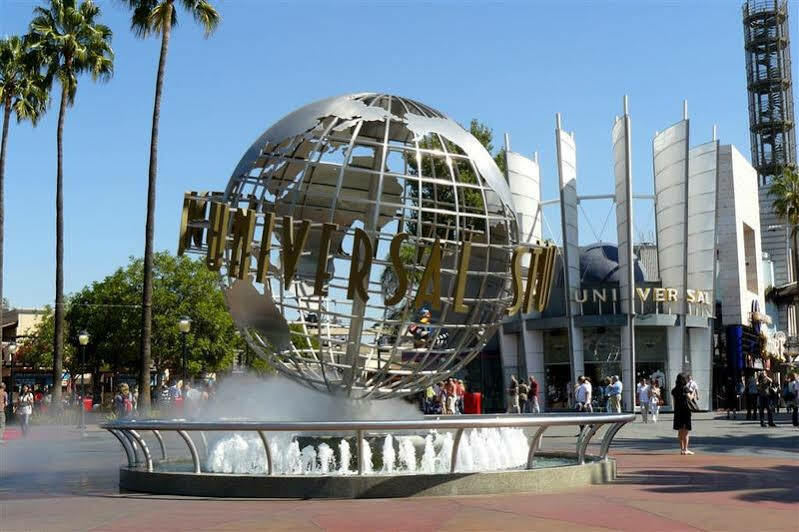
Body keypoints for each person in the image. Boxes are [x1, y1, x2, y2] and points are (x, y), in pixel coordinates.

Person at [672, 373, 695, 455]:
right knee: (686, 431)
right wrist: (693, 393)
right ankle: (686, 449)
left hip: (678, 411)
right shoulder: (685, 388)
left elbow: (674, 402)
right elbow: (690, 398)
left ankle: (681, 449)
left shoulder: (674, 390)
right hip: (685, 411)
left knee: (680, 431)